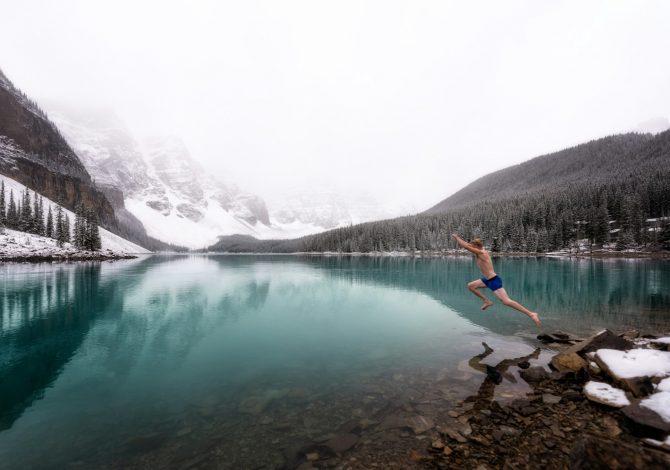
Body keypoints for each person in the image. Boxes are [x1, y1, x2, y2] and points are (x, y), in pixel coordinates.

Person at [452, 233, 541, 327]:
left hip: (494, 280)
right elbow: (468, 245)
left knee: (506, 301)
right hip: (487, 280)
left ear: (477, 246)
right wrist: (461, 239)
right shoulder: (479, 249)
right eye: (472, 246)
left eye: (473, 246)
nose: (472, 248)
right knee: (471, 286)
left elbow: (466, 246)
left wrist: (457, 238)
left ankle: (531, 314)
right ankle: (487, 301)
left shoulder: (482, 253)